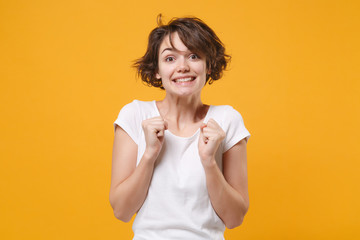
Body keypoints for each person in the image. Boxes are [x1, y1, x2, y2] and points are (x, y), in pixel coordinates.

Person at [110, 15, 251, 240]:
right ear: (157, 70)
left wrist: (209, 162)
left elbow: (235, 219)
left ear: (208, 66)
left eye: (193, 56)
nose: (183, 67)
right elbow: (122, 211)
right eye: (170, 59)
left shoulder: (227, 119)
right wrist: (149, 154)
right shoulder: (135, 115)